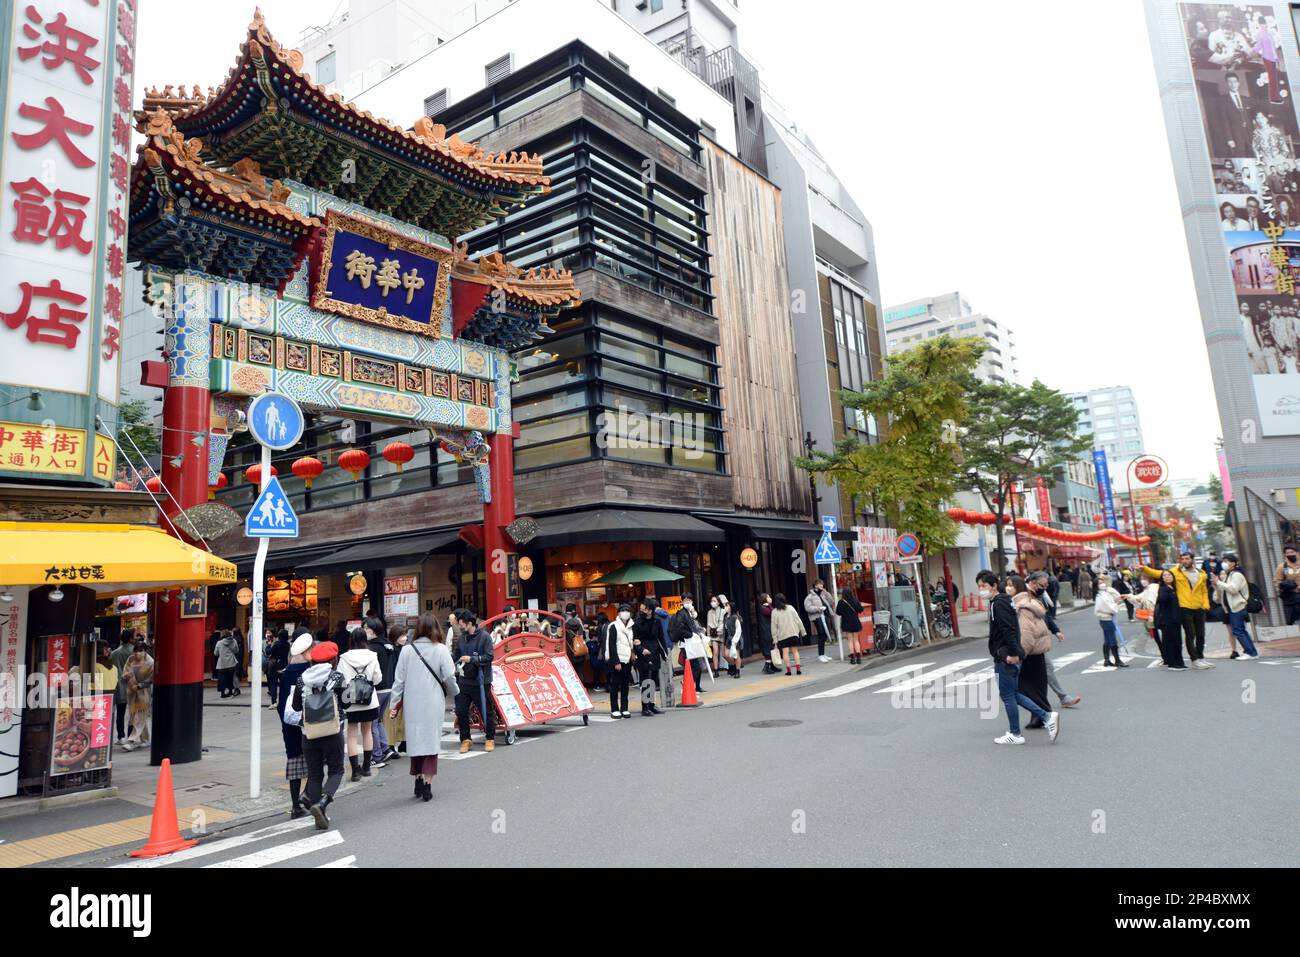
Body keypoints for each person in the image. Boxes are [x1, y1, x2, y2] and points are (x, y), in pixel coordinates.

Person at [977, 570, 1057, 745]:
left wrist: (1013, 653)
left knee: (1007, 695)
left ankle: (1016, 733)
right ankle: (1046, 717)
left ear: (994, 586)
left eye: (984, 586)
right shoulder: (1002, 602)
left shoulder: (999, 604)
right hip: (1006, 654)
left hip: (1007, 656)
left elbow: (1009, 629)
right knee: (1012, 693)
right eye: (979, 586)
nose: (980, 589)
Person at [388, 613, 458, 803]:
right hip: (433, 702)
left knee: (416, 740)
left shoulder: (407, 651)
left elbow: (399, 681)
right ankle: (427, 783)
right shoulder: (441, 649)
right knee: (431, 742)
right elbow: (450, 677)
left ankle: (418, 778)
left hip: (412, 703)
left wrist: (394, 704)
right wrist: (455, 691)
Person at [293, 641, 346, 830]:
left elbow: (296, 707)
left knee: (315, 774)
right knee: (336, 770)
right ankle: (322, 804)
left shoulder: (301, 679)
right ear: (333, 660)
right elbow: (346, 703)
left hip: (309, 732)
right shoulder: (337, 677)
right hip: (333, 730)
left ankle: (318, 813)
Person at [1140, 553, 1213, 669]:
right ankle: (1194, 659)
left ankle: (1200, 657)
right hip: (1184, 607)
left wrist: (1205, 604)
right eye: (1183, 559)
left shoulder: (1201, 574)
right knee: (1191, 634)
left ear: (1192, 560)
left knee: (1201, 634)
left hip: (1199, 607)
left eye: (1187, 559)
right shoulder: (1176, 571)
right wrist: (1144, 568)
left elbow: (1204, 591)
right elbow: (1159, 574)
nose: (1184, 561)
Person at [1026, 570, 1081, 708]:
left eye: (1046, 586)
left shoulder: (1038, 595)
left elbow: (1045, 616)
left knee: (1045, 669)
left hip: (1034, 642)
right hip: (1026, 642)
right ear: (1032, 583)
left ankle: (1061, 698)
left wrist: (1055, 630)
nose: (1045, 588)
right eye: (1042, 585)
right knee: (1023, 674)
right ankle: (1029, 701)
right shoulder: (1024, 597)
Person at [337, 630, 382, 782]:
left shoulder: (344, 658)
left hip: (351, 700)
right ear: (365, 639)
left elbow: (340, 680)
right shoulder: (372, 656)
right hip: (369, 700)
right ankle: (367, 767)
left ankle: (355, 771)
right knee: (367, 731)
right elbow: (377, 679)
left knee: (351, 734)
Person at [278, 632, 314, 818]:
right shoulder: (309, 672)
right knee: (315, 761)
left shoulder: (285, 674)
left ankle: (295, 806)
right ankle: (306, 797)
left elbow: (281, 705)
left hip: (289, 724)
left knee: (293, 762)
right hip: (308, 724)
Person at [1010, 575, 1053, 730]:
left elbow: (1026, 633)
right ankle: (1042, 716)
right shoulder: (1031, 602)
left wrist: (1021, 654)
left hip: (1029, 651)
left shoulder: (1021, 607)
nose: (1007, 588)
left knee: (1024, 688)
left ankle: (1044, 715)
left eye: (1010, 585)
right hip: (1038, 650)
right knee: (1037, 686)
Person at [452, 608, 496, 752]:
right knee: (461, 710)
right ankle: (466, 739)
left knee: (486, 710)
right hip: (464, 681)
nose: (460, 627)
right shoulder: (461, 638)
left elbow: (489, 656)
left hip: (481, 681)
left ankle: (490, 738)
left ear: (470, 623)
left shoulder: (485, 637)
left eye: (462, 624)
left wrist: (472, 659)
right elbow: (455, 655)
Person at [365, 618, 399, 767]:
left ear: (374, 630)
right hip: (389, 687)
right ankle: (385, 748)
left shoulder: (372, 647)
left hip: (377, 688)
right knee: (378, 720)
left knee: (372, 723)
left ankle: (377, 755)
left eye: (366, 628)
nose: (364, 631)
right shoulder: (387, 645)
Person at [1214, 553, 1261, 659]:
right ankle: (1251, 652)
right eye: (1224, 561)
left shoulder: (1237, 575)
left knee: (1238, 630)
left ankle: (1250, 652)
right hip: (1232, 608)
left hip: (1238, 606)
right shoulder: (1229, 574)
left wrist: (1219, 583)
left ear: (1234, 563)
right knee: (1240, 630)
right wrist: (1217, 584)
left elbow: (1233, 589)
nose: (1224, 563)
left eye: (1227, 561)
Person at [668, 594, 709, 693]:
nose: (688, 602)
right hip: (687, 643)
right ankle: (687, 684)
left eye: (689, 600)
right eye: (686, 600)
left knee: (696, 665)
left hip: (692, 643)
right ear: (682, 601)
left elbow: (692, 625)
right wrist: (690, 635)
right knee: (695, 666)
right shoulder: (682, 613)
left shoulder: (687, 612)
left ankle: (696, 686)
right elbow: (681, 629)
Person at [119, 641, 154, 751]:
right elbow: (125, 671)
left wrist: (139, 686)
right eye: (136, 651)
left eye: (140, 651)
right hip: (131, 689)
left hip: (144, 691)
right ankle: (145, 739)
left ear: (145, 651)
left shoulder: (150, 662)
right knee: (135, 714)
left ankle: (131, 741)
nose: (137, 653)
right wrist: (126, 676)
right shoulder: (131, 659)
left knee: (140, 715)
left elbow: (150, 679)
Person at [632, 601, 664, 716]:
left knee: (654, 679)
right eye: (641, 609)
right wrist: (641, 649)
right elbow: (634, 640)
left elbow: (661, 638)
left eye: (644, 609)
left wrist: (664, 652)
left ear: (650, 610)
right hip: (643, 652)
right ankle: (645, 707)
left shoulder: (657, 621)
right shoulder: (637, 622)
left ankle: (652, 704)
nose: (642, 611)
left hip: (654, 651)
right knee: (645, 680)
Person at [1154, 570, 1188, 670]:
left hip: (1175, 619)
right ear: (1162, 578)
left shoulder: (1175, 588)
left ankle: (1179, 662)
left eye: (1169, 575)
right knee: (1170, 642)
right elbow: (1161, 599)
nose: (1168, 576)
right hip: (1167, 620)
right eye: (1165, 575)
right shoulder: (1163, 589)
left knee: (1178, 641)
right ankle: (1172, 663)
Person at [605, 603, 635, 717]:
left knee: (625, 685)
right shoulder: (614, 626)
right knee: (615, 685)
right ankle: (614, 709)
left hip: (627, 659)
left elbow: (631, 642)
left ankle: (624, 708)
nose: (626, 613)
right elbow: (611, 645)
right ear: (618, 613)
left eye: (628, 610)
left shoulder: (631, 626)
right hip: (617, 659)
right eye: (623, 610)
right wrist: (616, 661)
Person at [1094, 575, 1129, 667]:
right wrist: (1116, 604)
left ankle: (1107, 660)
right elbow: (1110, 606)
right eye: (1100, 582)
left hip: (1104, 618)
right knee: (1112, 639)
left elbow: (1112, 600)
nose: (1102, 584)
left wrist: (1117, 600)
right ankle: (1117, 660)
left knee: (1107, 639)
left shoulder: (1102, 593)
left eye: (1102, 581)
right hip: (1107, 618)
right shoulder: (1103, 594)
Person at [770, 593, 806, 676]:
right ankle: (798, 670)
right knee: (795, 651)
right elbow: (798, 620)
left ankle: (789, 671)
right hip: (793, 633)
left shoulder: (774, 612)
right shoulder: (790, 608)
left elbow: (773, 626)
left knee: (785, 653)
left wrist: (774, 638)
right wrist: (803, 631)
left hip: (782, 636)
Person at [110, 630, 134, 742]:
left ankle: (120, 736)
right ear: (130, 639)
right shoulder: (133, 652)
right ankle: (130, 736)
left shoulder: (114, 653)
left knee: (120, 712)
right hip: (131, 685)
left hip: (118, 685)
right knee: (132, 713)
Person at [803, 580, 835, 663]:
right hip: (818, 617)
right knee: (822, 634)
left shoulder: (823, 594)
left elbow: (831, 602)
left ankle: (823, 654)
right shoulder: (810, 597)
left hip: (825, 616)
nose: (822, 586)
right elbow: (808, 608)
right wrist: (818, 609)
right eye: (820, 584)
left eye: (822, 584)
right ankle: (820, 655)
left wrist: (827, 593)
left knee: (825, 634)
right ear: (815, 585)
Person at [1272, 544, 1300, 625]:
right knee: (1296, 621)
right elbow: (1277, 581)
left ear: (1297, 553)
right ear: (1285, 555)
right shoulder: (1282, 567)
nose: (1290, 554)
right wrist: (1284, 587)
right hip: (1292, 598)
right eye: (1288, 553)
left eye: (1292, 552)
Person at [836, 588, 865, 664]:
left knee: (850, 640)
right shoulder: (855, 601)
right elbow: (861, 610)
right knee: (856, 640)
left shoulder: (841, 602)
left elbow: (838, 612)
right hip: (855, 621)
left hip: (846, 622)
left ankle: (852, 658)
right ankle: (859, 658)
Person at [720, 596, 743, 678]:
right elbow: (725, 628)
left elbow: (738, 630)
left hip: (736, 638)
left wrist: (735, 640)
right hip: (728, 638)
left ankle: (737, 671)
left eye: (727, 606)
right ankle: (733, 666)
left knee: (736, 655)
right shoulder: (726, 617)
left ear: (731, 607)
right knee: (725, 655)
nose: (725, 607)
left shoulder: (735, 617)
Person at [755, 593, 779, 674]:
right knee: (768, 648)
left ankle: (771, 666)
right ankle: (767, 667)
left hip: (769, 630)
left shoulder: (766, 607)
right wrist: (769, 606)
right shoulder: (763, 608)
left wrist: (769, 605)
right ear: (764, 599)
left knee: (771, 647)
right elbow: (773, 613)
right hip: (766, 631)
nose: (770, 598)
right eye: (768, 597)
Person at [266, 628, 289, 708]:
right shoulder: (287, 644)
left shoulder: (276, 644)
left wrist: (268, 644)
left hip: (275, 666)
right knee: (283, 685)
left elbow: (268, 652)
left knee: (273, 684)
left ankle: (274, 702)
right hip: (284, 666)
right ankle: (283, 702)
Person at [215, 630, 241, 697]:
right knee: (232, 677)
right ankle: (231, 691)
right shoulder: (234, 641)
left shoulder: (219, 643)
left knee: (222, 678)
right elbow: (236, 650)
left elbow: (216, 653)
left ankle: (222, 693)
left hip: (222, 664)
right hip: (231, 662)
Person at [706, 596, 726, 674]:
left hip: (722, 634)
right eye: (712, 601)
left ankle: (732, 666)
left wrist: (723, 599)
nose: (712, 602)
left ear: (718, 602)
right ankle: (716, 670)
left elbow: (727, 607)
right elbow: (708, 625)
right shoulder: (709, 612)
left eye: (714, 601)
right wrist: (708, 637)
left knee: (724, 654)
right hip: (713, 635)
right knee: (715, 652)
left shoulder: (723, 611)